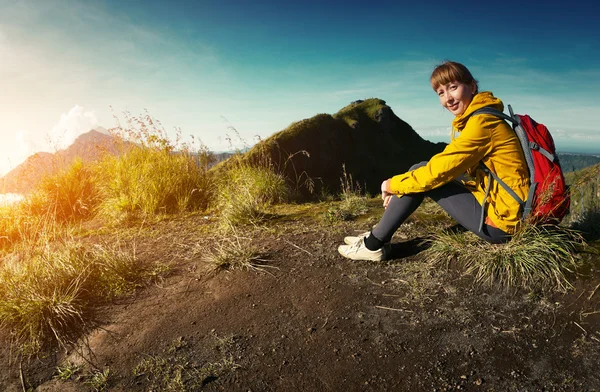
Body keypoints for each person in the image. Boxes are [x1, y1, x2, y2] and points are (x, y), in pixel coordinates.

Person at [338, 60, 530, 261]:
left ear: (472, 86)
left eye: (453, 88)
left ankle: (373, 245)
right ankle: (379, 236)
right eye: (441, 93)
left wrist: (392, 184)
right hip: (503, 204)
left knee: (423, 178)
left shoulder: (482, 124)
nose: (448, 99)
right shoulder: (482, 117)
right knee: (419, 171)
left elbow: (436, 173)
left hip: (504, 224)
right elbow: (445, 162)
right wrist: (401, 184)